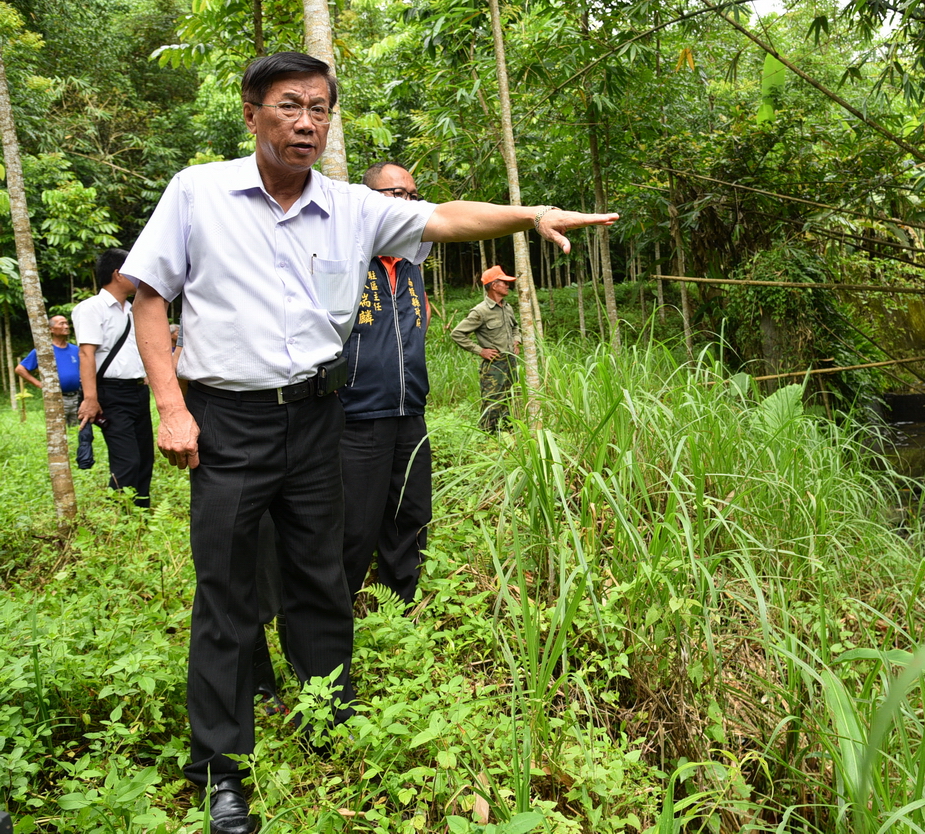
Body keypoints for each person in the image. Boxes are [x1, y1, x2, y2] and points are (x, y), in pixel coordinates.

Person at [123, 51, 615, 834]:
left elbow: (446, 216)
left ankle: (327, 712)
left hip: (321, 414)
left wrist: (530, 217)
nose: (307, 122)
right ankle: (221, 768)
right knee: (226, 589)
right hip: (230, 419)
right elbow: (149, 299)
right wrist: (172, 408)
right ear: (251, 113)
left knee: (321, 573)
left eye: (320, 108)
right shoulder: (197, 192)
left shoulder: (353, 206)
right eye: (290, 105)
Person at [339, 161, 432, 607]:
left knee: (410, 513)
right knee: (355, 519)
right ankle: (337, 606)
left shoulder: (413, 263)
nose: (409, 205)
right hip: (357, 414)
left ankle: (400, 602)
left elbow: (420, 325)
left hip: (410, 410)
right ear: (370, 201)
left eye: (413, 196)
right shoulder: (349, 258)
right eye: (398, 195)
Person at [72, 249, 153, 507]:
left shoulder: (133, 309)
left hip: (137, 392)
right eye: (134, 270)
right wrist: (91, 398)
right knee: (127, 459)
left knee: (144, 455)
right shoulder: (91, 308)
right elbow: (86, 354)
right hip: (110, 393)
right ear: (117, 274)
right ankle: (119, 516)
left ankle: (140, 512)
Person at [15, 315, 95, 469]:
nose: (66, 326)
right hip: (57, 399)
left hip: (78, 397)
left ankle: (81, 461)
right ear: (52, 329)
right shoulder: (45, 351)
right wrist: (41, 385)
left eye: (67, 323)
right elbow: (20, 369)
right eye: (61, 323)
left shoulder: (75, 350)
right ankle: (61, 462)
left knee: (80, 431)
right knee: (59, 432)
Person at [450, 266, 521, 432]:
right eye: (504, 283)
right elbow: (457, 334)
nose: (508, 286)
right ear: (494, 285)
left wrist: (516, 341)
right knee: (492, 402)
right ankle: (487, 436)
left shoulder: (507, 307)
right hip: (494, 365)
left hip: (511, 361)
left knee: (510, 398)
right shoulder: (480, 311)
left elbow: (515, 328)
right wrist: (480, 350)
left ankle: (507, 433)